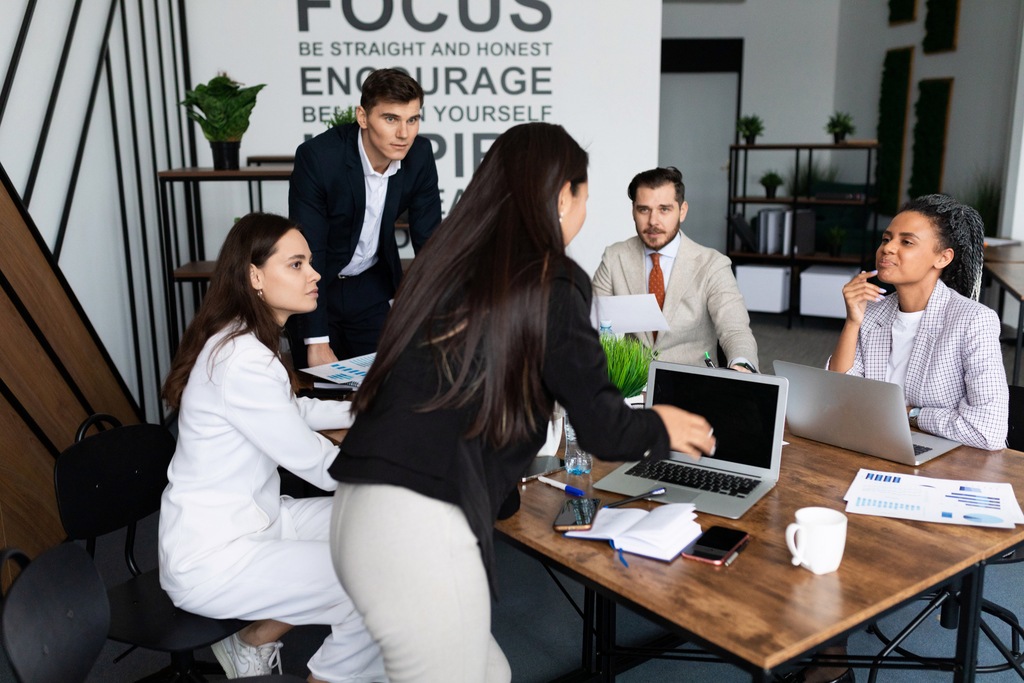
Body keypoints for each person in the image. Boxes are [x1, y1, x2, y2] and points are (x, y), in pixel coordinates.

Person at [327, 123, 717, 682]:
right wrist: (662, 424)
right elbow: (605, 431)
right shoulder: (551, 279)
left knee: (492, 673)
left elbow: (469, 392)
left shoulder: (449, 264)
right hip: (418, 531)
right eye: (584, 192)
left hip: (357, 513)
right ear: (563, 197)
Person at [158, 213, 385, 682]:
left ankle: (250, 642)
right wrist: (398, 471)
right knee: (373, 581)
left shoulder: (247, 341)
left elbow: (292, 413)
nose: (315, 274)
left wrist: (364, 408)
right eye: (297, 264)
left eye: (310, 263)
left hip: (260, 520)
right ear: (255, 277)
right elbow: (313, 461)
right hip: (216, 555)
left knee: (381, 531)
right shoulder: (241, 360)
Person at [289, 67, 442, 367]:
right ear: (362, 117)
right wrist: (317, 340)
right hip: (318, 286)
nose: (404, 133)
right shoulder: (319, 158)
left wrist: (446, 317)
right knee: (320, 394)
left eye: (412, 120)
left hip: (371, 285)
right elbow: (310, 250)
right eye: (390, 119)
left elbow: (431, 242)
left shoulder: (419, 155)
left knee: (388, 384)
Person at [830, 194, 1007, 451]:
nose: (888, 248)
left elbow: (988, 430)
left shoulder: (973, 321)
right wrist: (853, 321)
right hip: (873, 445)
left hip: (945, 460)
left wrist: (912, 414)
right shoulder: (872, 312)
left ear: (943, 258)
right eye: (886, 239)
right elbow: (837, 396)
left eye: (907, 242)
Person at [592, 166, 759, 371]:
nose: (653, 221)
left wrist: (742, 364)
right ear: (633, 211)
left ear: (682, 211)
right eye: (644, 209)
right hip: (632, 388)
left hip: (691, 389)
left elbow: (735, 330)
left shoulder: (712, 265)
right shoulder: (614, 258)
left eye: (664, 209)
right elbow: (592, 324)